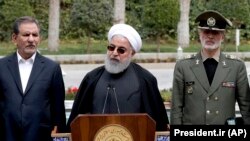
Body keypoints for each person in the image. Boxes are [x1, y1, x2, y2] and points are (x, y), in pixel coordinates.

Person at [66, 23, 169, 131]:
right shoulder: (92, 78)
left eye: (121, 50)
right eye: (111, 48)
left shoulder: (145, 79)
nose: (114, 53)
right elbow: (76, 122)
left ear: (132, 53)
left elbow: (158, 124)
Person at [171, 10, 250, 125]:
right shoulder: (183, 66)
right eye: (206, 31)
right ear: (200, 34)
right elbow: (176, 109)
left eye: (215, 33)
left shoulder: (236, 67)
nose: (210, 36)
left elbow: (246, 108)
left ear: (222, 36)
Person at [0, 16, 66, 141]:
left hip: (40, 136)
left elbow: (58, 112)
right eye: (26, 35)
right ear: (14, 38)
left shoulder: (52, 68)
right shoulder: (1, 67)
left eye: (35, 35)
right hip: (7, 135)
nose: (31, 39)